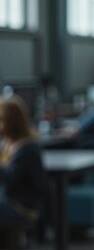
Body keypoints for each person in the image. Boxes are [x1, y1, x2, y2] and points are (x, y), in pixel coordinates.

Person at [0, 96, 49, 247]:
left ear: (11, 122)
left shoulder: (27, 148)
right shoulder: (6, 143)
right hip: (7, 200)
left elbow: (9, 180)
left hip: (22, 207)